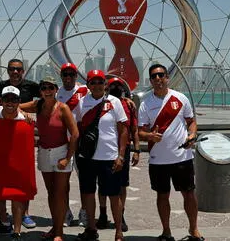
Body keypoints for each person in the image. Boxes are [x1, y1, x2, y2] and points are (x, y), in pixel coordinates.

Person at [138, 64, 203, 241]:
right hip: (158, 159)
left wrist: (192, 134)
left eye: (161, 75)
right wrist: (150, 136)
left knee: (189, 193)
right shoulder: (145, 104)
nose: (158, 79)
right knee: (162, 195)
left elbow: (191, 121)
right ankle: (166, 231)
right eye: (154, 76)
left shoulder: (180, 98)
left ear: (167, 77)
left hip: (182, 156)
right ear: (150, 81)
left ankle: (194, 229)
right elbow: (140, 132)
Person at [0, 58, 40, 229]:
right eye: (12, 69)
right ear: (8, 70)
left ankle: (24, 215)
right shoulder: (1, 89)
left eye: (19, 69)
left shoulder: (31, 85)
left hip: (21, 130)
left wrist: (21, 109)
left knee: (21, 182)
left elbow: (41, 101)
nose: (15, 72)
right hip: (1, 145)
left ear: (23, 71)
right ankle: (6, 220)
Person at [20, 76, 79, 241]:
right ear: (41, 91)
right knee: (51, 193)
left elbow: (75, 134)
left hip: (61, 153)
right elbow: (14, 107)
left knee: (60, 194)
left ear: (56, 90)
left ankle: (59, 232)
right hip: (44, 152)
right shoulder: (37, 105)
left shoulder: (63, 108)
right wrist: (25, 114)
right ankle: (55, 227)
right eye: (44, 88)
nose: (47, 91)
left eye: (51, 88)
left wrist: (68, 158)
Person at [72, 70, 128, 241]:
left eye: (100, 82)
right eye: (93, 82)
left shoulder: (115, 102)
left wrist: (121, 156)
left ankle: (118, 232)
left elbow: (123, 129)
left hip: (110, 158)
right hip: (88, 159)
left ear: (105, 84)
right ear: (88, 85)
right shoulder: (82, 103)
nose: (97, 85)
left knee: (113, 195)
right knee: (88, 193)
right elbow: (74, 128)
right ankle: (91, 228)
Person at [0, 86, 34, 240]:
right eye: (6, 99)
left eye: (14, 99)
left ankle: (17, 231)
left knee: (16, 196)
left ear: (19, 102)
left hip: (17, 163)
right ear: (1, 101)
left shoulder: (24, 120)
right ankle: (5, 222)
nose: (10, 102)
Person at [96, 77, 140, 233]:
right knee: (102, 184)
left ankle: (120, 216)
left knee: (122, 185)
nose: (115, 88)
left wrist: (136, 150)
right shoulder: (102, 101)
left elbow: (134, 128)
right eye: (112, 85)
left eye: (118, 86)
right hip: (104, 149)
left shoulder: (128, 105)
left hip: (123, 149)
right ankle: (102, 214)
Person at [56, 62, 88, 227]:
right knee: (63, 181)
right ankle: (66, 212)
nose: (68, 77)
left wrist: (126, 99)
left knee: (84, 179)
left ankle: (84, 212)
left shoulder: (84, 90)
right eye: (65, 74)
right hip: (63, 142)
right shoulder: (56, 93)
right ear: (61, 76)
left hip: (81, 142)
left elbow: (104, 97)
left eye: (71, 74)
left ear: (76, 76)